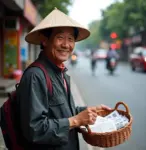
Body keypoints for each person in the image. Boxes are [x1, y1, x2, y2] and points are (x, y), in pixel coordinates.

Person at [16, 8, 111, 150]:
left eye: (71, 39)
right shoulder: (35, 76)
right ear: (45, 40)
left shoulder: (61, 73)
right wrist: (77, 120)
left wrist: (90, 111)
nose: (66, 45)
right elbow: (34, 129)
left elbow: (62, 112)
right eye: (60, 37)